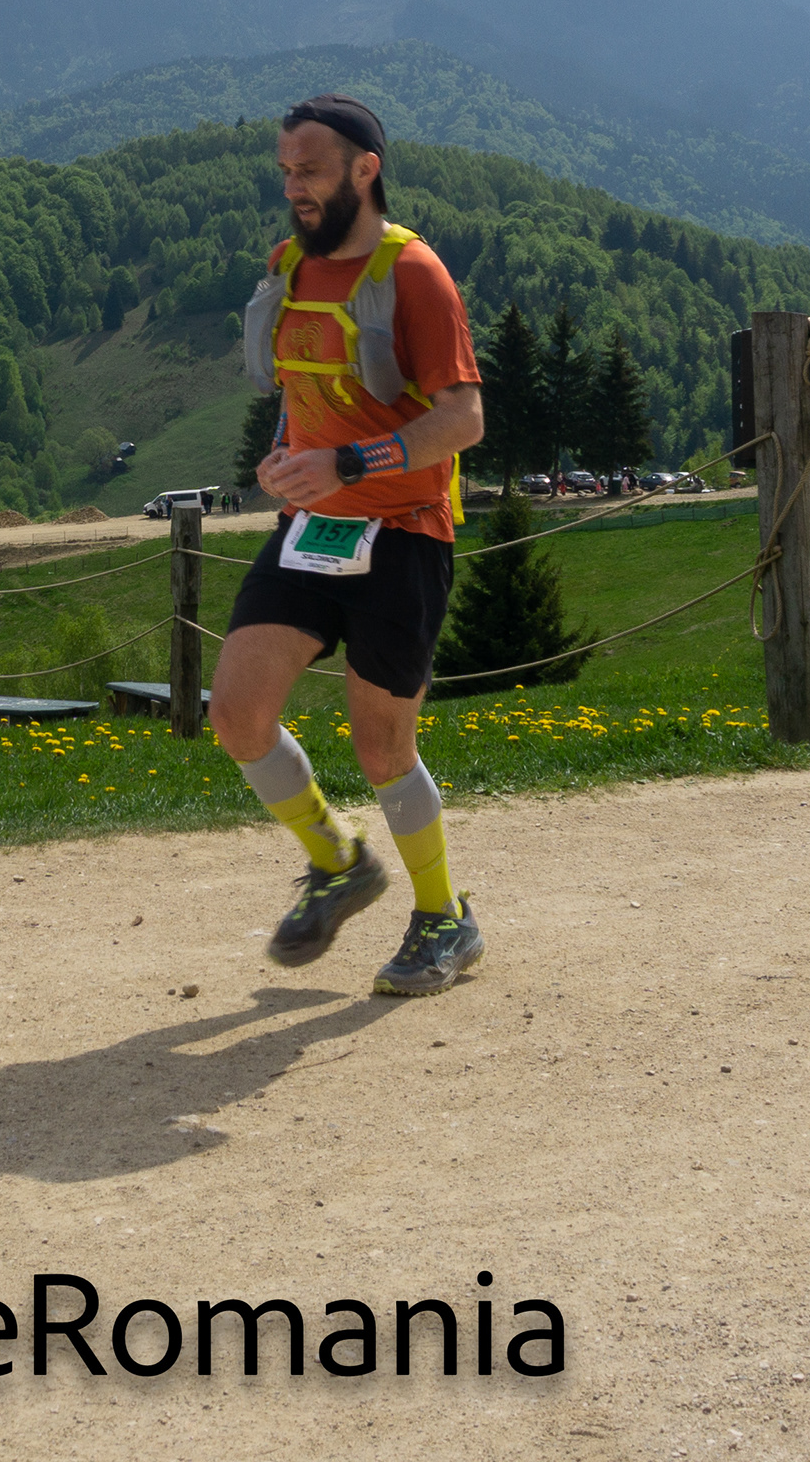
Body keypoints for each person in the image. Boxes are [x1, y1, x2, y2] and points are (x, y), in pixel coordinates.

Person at [211, 94, 489, 996]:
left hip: (405, 534)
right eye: (286, 171)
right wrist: (288, 456)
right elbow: (302, 392)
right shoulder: (287, 266)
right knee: (236, 713)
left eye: (312, 171)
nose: (295, 187)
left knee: (382, 751)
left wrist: (349, 462)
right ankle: (338, 862)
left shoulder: (416, 275)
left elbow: (464, 419)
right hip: (314, 529)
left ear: (365, 170)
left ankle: (445, 917)